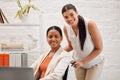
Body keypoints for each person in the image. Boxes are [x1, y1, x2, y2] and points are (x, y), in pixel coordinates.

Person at [61, 4, 104, 80]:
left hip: (94, 63)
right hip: (79, 64)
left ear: (77, 12)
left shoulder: (90, 24)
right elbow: (71, 46)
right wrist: (56, 52)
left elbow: (99, 48)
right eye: (66, 17)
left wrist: (83, 62)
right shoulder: (66, 28)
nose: (69, 18)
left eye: (72, 14)